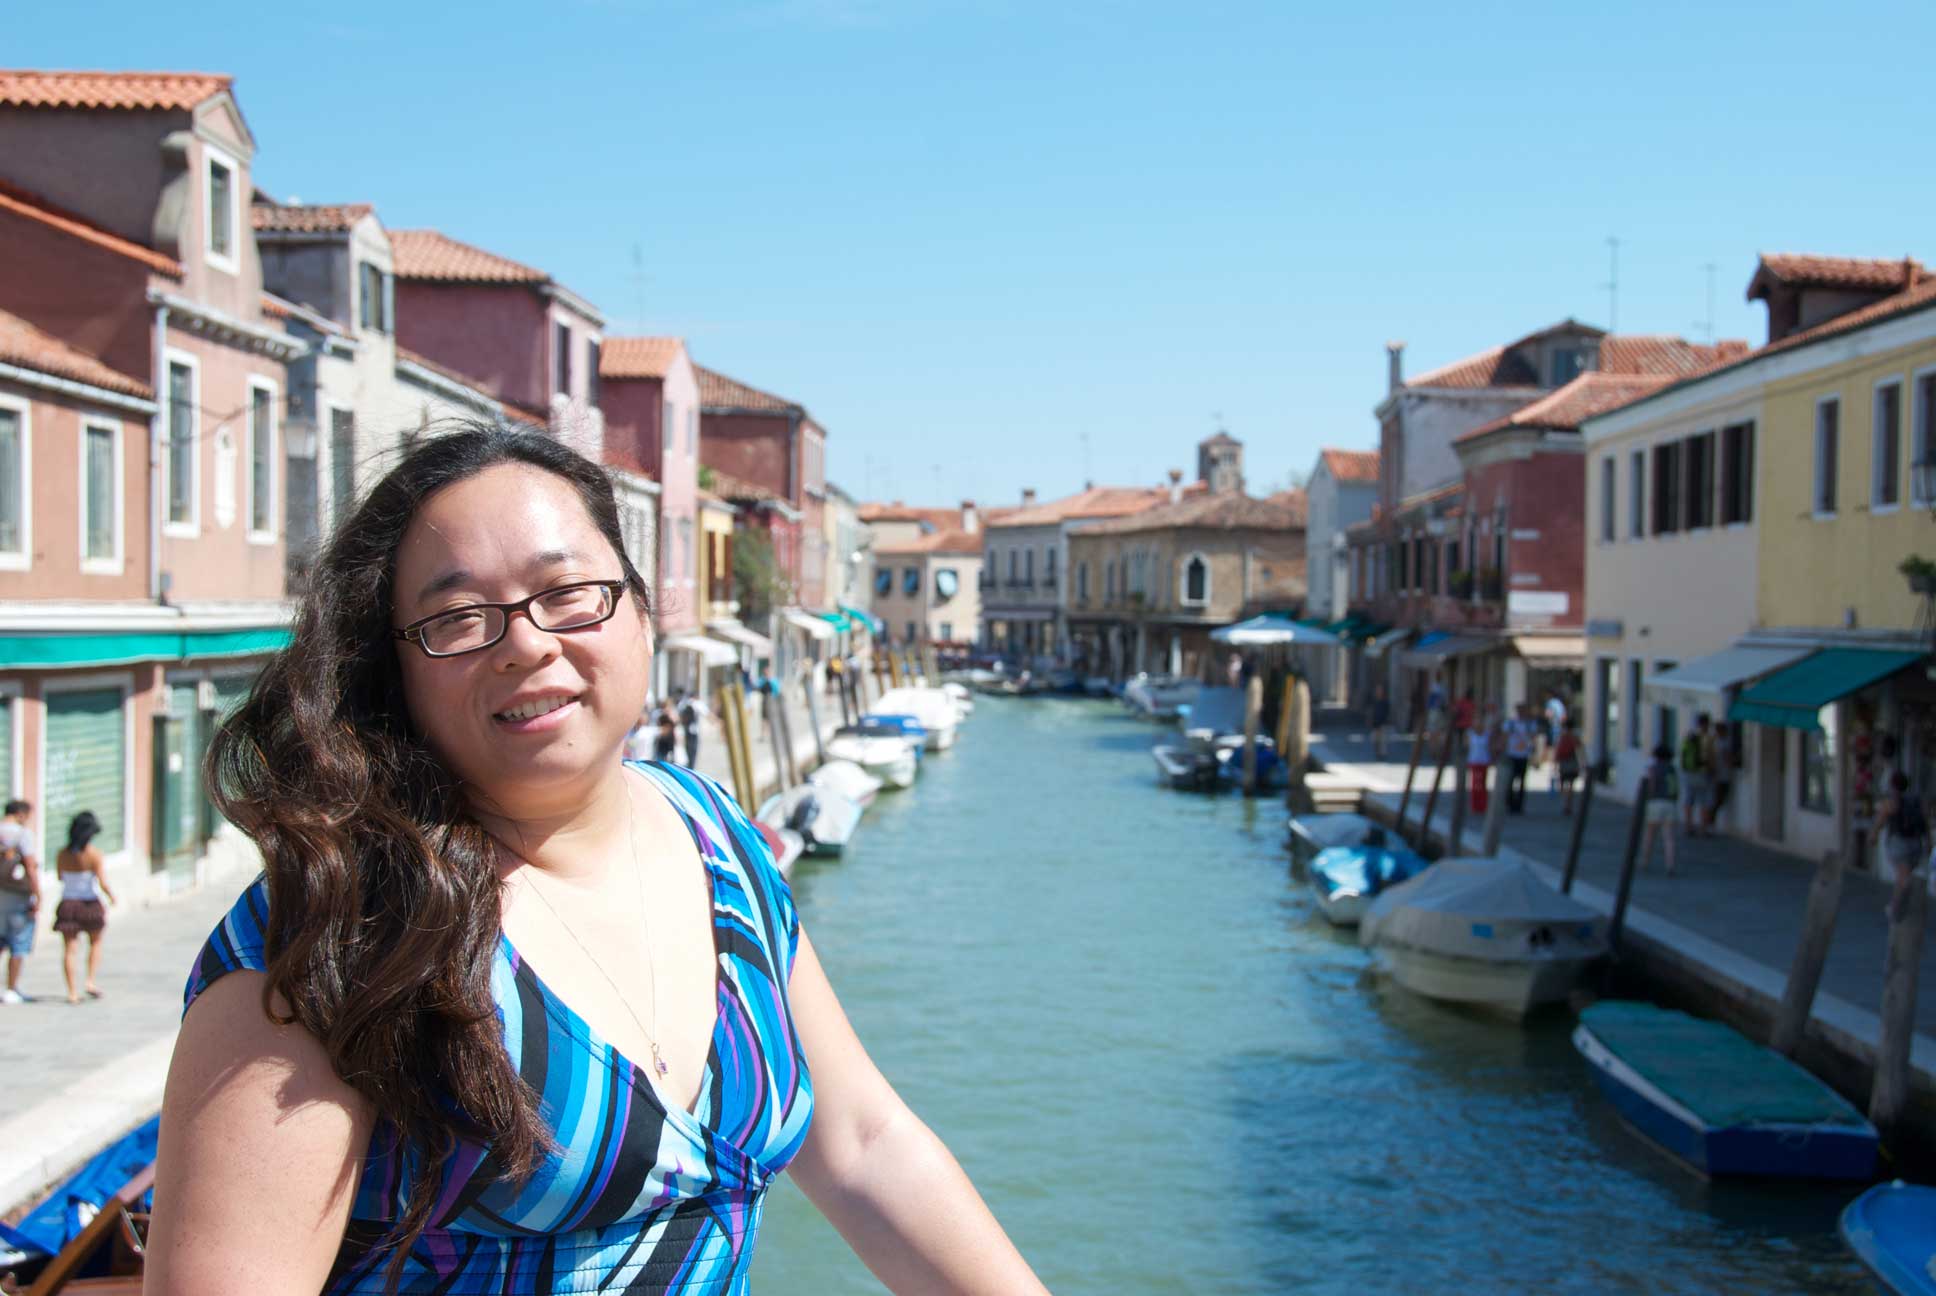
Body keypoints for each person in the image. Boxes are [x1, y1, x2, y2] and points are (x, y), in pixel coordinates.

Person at [147, 423, 1047, 1295]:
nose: (528, 643)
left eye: (568, 593)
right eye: (458, 617)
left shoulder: (716, 835)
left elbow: (863, 1145)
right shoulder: (329, 935)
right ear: (396, 672)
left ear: (642, 612)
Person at [52, 810, 114, 1004]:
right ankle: (90, 981)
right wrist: (112, 896)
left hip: (69, 904)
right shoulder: (94, 855)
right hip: (89, 904)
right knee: (95, 942)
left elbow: (60, 877)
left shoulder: (62, 854)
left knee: (70, 949)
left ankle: (71, 991)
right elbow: (102, 882)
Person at [0, 799, 40, 1005]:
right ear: (21, 814)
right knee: (18, 943)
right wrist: (37, 895)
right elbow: (31, 868)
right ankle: (11, 988)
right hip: (17, 897)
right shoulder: (22, 835)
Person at [1875, 771, 1928, 922]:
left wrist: (1872, 836)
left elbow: (1880, 820)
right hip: (1915, 844)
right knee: (1904, 877)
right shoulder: (1916, 800)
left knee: (1903, 879)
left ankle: (1897, 907)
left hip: (1900, 844)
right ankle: (1899, 906)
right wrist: (1928, 843)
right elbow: (1924, 822)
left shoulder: (1893, 801)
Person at [1639, 743, 1681, 876]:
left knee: (1649, 836)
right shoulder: (1672, 769)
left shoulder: (1653, 769)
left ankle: (1645, 861)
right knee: (1669, 837)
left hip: (1655, 803)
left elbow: (1650, 786)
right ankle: (1670, 865)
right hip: (1670, 803)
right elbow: (1676, 788)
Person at [1679, 714, 1712, 837]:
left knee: (1689, 800)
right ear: (1706, 724)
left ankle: (1688, 826)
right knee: (1704, 801)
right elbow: (1708, 757)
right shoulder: (1706, 738)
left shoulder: (1689, 736)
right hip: (1702, 773)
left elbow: (1682, 753)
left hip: (1688, 773)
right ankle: (1704, 828)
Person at [1502, 704, 1537, 813]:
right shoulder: (1510, 723)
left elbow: (1533, 738)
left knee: (1522, 781)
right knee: (1510, 780)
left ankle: (1519, 805)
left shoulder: (1530, 724)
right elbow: (1504, 737)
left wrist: (1534, 753)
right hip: (1512, 755)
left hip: (1523, 755)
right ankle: (1509, 803)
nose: (1521, 713)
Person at [1704, 720, 1737, 835]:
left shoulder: (1712, 742)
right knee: (1716, 801)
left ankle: (1707, 825)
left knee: (1713, 801)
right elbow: (1728, 760)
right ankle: (1709, 825)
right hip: (1721, 777)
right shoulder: (1723, 743)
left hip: (1714, 776)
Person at [1467, 705, 1495, 816]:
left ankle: (1483, 806)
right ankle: (1474, 806)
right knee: (1474, 784)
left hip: (1484, 761)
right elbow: (1466, 745)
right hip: (1474, 761)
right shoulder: (1470, 734)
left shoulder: (1488, 734)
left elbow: (1491, 747)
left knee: (1483, 784)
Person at [1552, 718, 1583, 817]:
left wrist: (1555, 764)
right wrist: (1583, 764)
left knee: (1563, 784)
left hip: (1564, 763)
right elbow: (1581, 751)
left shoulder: (1562, 737)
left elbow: (1557, 752)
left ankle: (1566, 804)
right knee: (1570, 785)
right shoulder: (1575, 737)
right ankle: (1568, 804)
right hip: (1572, 762)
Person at [677, 689, 702, 769]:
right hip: (693, 731)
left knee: (688, 750)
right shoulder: (696, 704)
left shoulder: (682, 703)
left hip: (686, 730)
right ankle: (691, 767)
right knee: (692, 751)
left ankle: (689, 766)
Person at [1369, 683, 1392, 759]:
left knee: (1383, 741)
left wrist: (1387, 721)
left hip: (1383, 723)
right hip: (1375, 724)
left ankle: (1382, 754)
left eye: (1380, 690)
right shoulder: (1374, 701)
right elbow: (1371, 712)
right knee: (1375, 740)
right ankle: (1377, 753)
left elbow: (1388, 712)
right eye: (1378, 690)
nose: (1379, 692)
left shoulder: (1385, 702)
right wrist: (1370, 720)